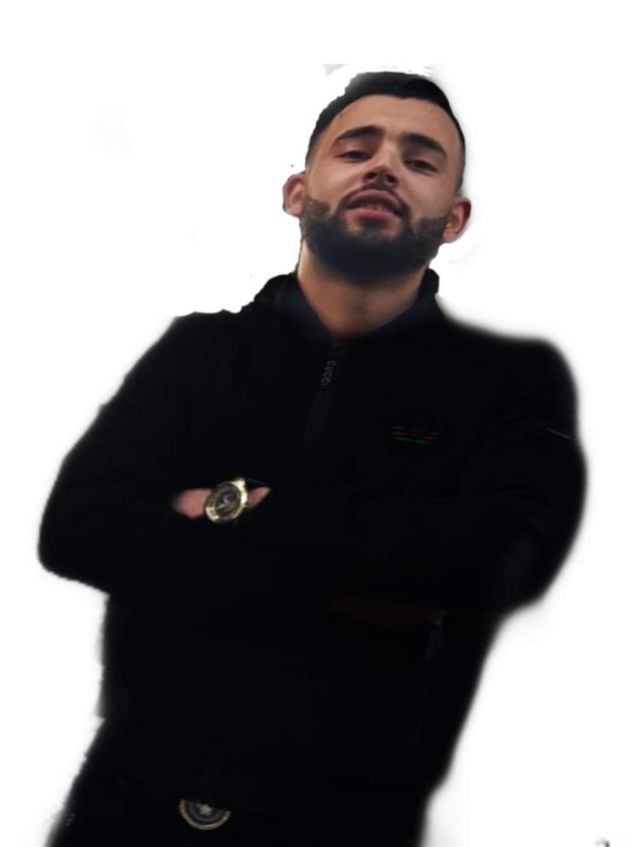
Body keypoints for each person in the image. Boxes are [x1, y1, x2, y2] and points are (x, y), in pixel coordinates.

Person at [38, 70, 586, 847]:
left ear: (455, 217)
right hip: (123, 809)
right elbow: (77, 526)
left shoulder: (509, 381)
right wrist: (370, 568)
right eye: (356, 150)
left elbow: (497, 559)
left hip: (343, 824)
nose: (384, 166)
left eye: (420, 160)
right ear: (297, 192)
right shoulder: (198, 351)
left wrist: (233, 508)